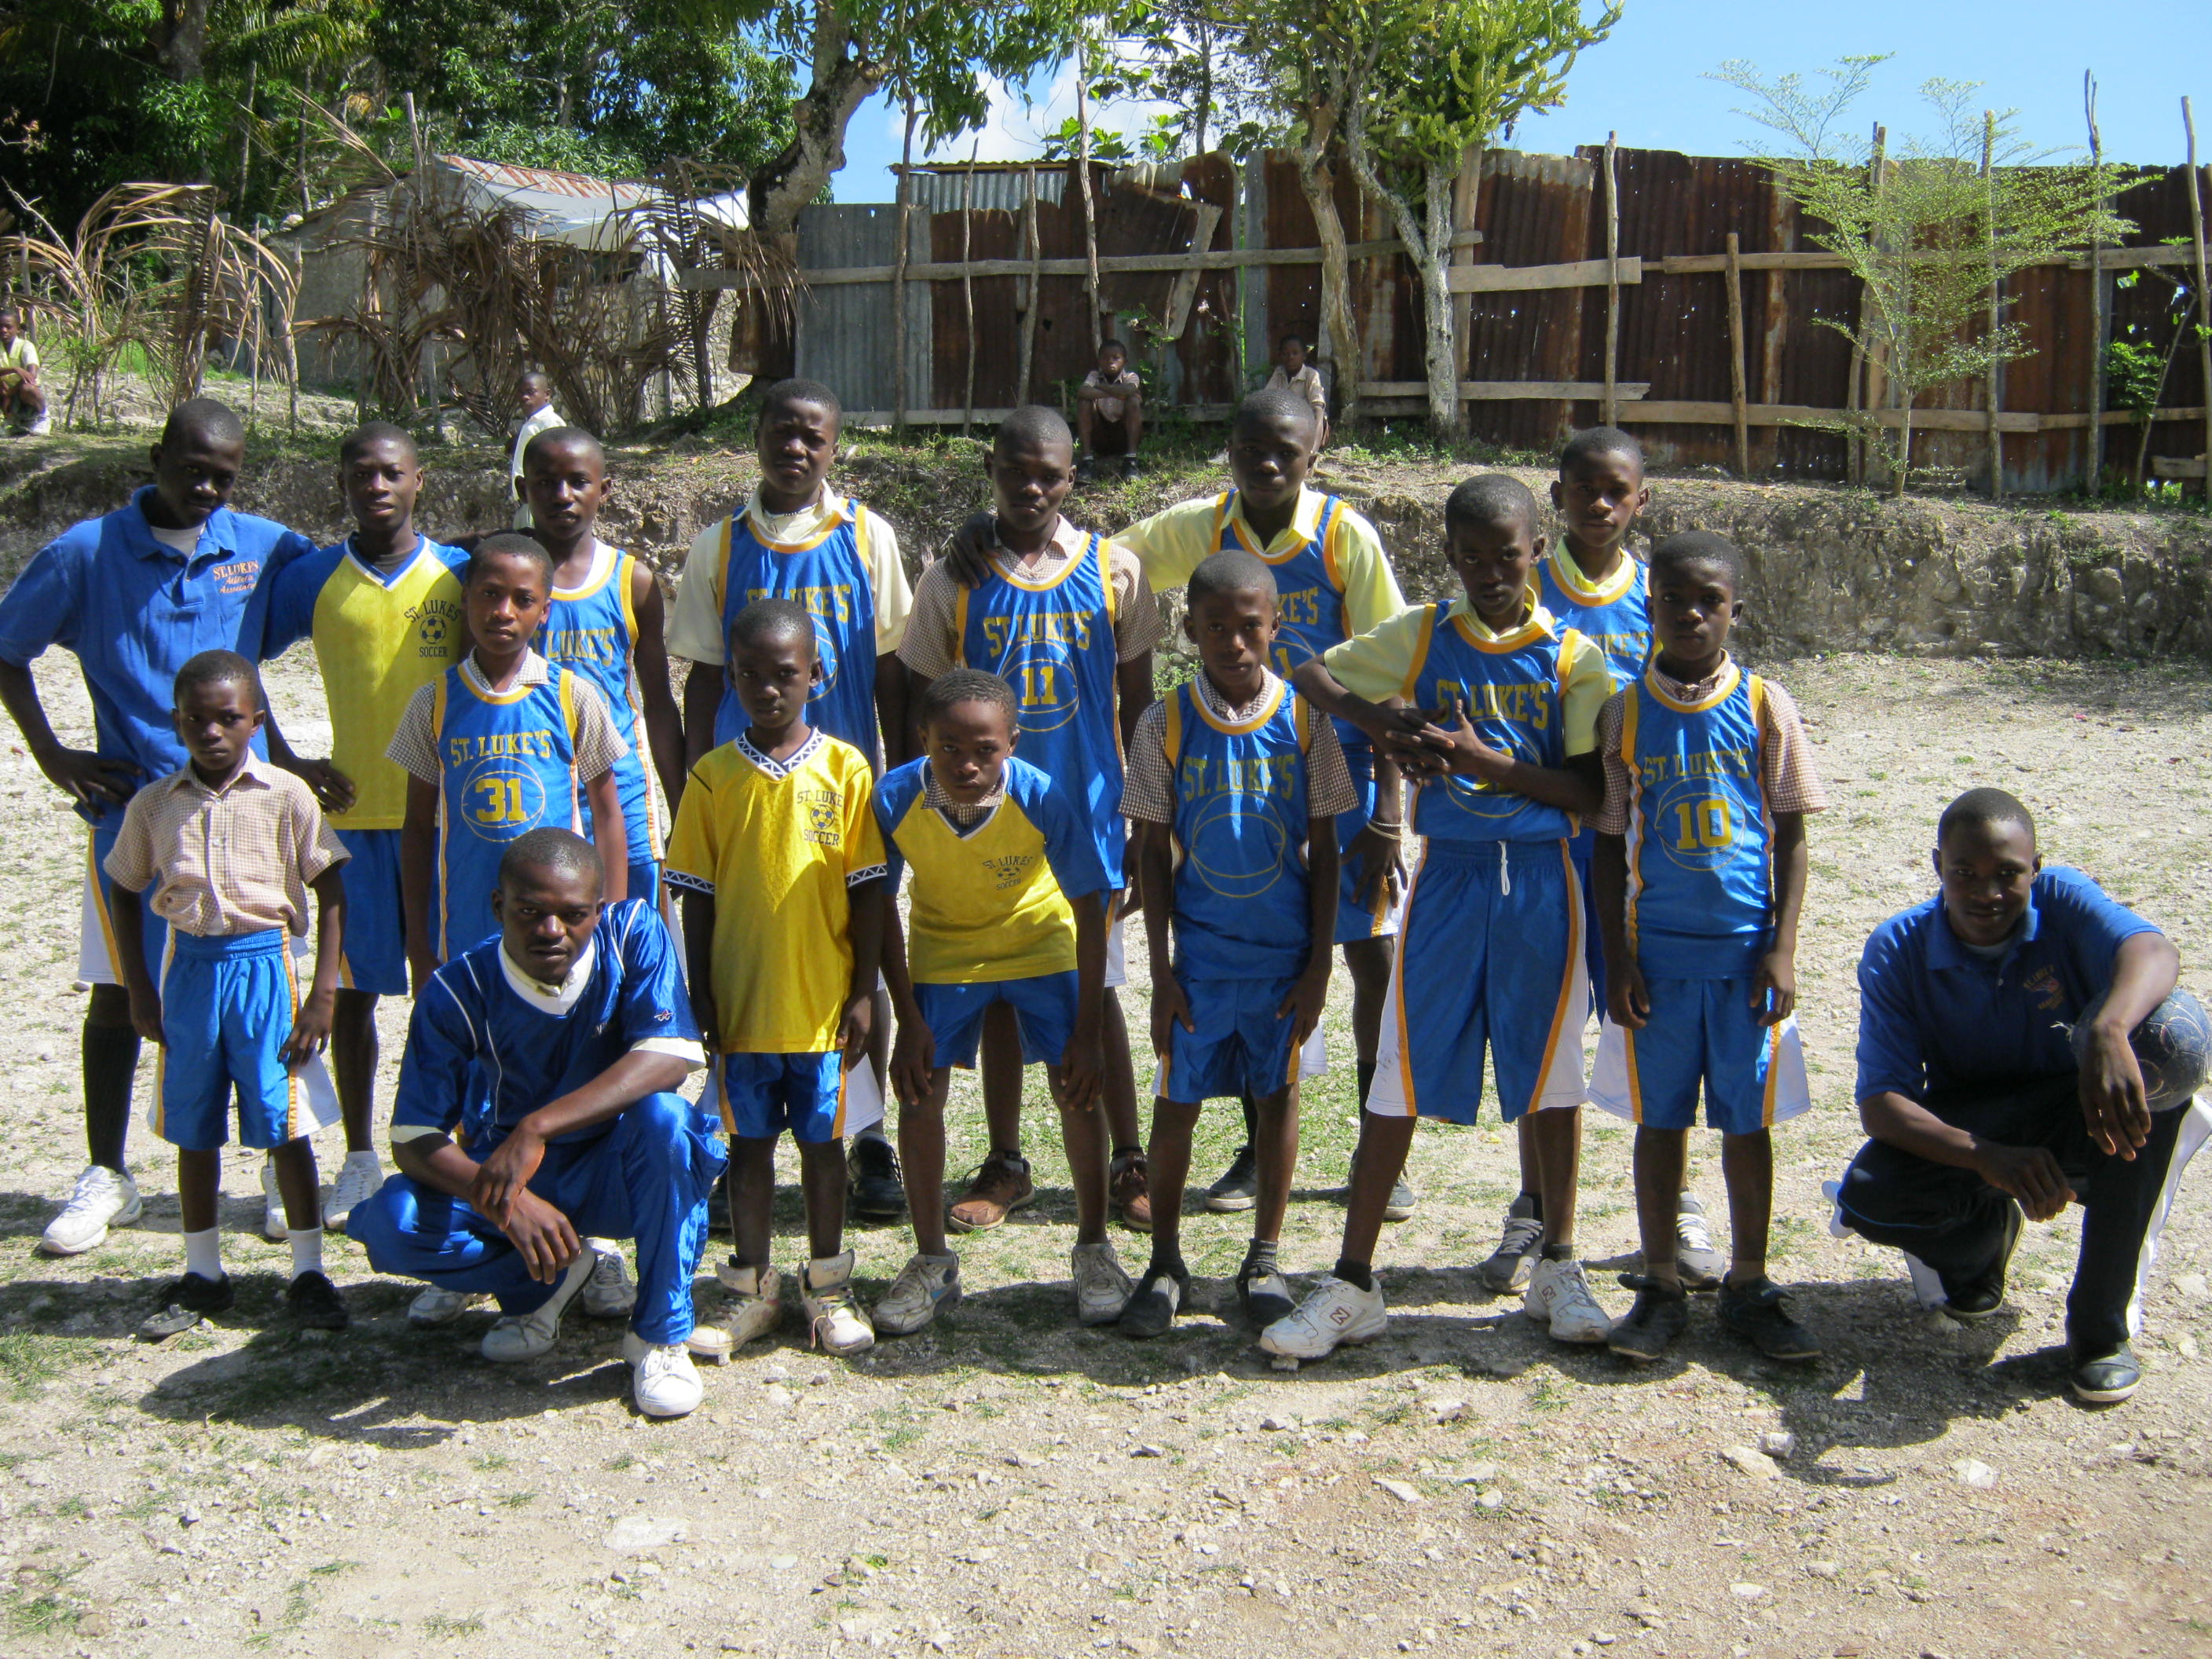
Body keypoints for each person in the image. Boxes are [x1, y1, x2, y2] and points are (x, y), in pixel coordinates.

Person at [943, 387, 1411, 1218]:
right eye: (1248, 450)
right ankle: (1246, 1142)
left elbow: (1395, 677)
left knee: (1363, 957)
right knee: (1236, 953)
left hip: (1328, 767)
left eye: (1286, 452)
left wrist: (1386, 812)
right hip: (1229, 777)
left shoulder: (1345, 539)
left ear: (1318, 449)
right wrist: (992, 529)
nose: (1266, 466)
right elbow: (1084, 555)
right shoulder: (1200, 525)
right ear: (1224, 450)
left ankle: (1381, 1144)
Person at [1270, 474, 1613, 1360]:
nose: (1490, 571)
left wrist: (1478, 759)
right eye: (1471, 556)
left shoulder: (1573, 656)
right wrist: (1377, 725)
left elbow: (1585, 790)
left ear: (1538, 550)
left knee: (1551, 1078)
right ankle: (1352, 1281)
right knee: (1399, 1067)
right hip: (1450, 877)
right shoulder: (1423, 634)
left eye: (1507, 554)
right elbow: (1305, 669)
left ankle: (1557, 1266)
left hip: (1543, 881)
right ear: (1450, 557)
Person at [0, 398, 317, 1257]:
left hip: (245, 814)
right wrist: (55, 756)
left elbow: (271, 658)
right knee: (119, 990)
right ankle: (108, 1172)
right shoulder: (86, 553)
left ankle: (279, 1166)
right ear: (155, 457)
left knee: (262, 990)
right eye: (192, 467)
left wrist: (292, 760)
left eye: (225, 472)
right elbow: (7, 650)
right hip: (139, 815)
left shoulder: (261, 547)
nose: (207, 485)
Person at [1833, 787, 2211, 1404]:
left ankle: (2099, 1334)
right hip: (1977, 1120)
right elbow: (1882, 1104)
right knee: (1870, 1199)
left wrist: (2108, 1028)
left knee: (2165, 1053)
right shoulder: (1898, 947)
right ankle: (1983, 1247)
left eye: (2008, 874)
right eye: (1965, 873)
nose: (1986, 893)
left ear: (2036, 868)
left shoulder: (2062, 900)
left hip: (2078, 1102)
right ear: (1938, 867)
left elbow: (2153, 950)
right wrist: (1985, 1156)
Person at [350, 829, 723, 1418]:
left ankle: (658, 1333)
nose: (552, 931)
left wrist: (537, 1126)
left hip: (618, 1172)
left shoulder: (631, 934)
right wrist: (501, 1200)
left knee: (669, 1122)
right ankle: (548, 1278)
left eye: (573, 915)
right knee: (392, 1223)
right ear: (498, 907)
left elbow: (670, 1056)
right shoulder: (458, 987)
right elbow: (414, 1139)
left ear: (597, 911)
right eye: (530, 912)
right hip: (518, 1181)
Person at [899, 405, 1162, 1236]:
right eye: (1015, 473)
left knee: (1100, 987)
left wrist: (1148, 816)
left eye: (1048, 474)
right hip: (986, 825)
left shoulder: (1112, 570)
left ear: (1072, 477)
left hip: (1085, 813)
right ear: (991, 469)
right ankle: (1006, 1160)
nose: (1031, 488)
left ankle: (1129, 1159)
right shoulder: (956, 576)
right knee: (1001, 990)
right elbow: (924, 694)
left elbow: (1141, 702)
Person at [668, 377, 913, 1217]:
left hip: (847, 796)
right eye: (781, 432)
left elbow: (889, 672)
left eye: (813, 434)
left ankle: (868, 1137)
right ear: (758, 437)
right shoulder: (720, 546)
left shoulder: (866, 538)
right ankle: (748, 1141)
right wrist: (693, 786)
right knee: (757, 956)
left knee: (861, 958)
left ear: (833, 444)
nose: (795, 448)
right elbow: (700, 679)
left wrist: (904, 787)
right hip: (747, 800)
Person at [1588, 532, 1828, 1362]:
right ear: (1646, 604)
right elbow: (1604, 848)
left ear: (1734, 610)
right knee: (1658, 1123)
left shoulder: (1766, 706)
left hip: (1742, 961)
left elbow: (1791, 834)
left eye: (1708, 601)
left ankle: (1749, 1284)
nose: (1688, 614)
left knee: (1745, 1123)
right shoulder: (1621, 714)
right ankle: (1658, 1285)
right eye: (1671, 599)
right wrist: (1615, 962)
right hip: (1655, 960)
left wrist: (1782, 947)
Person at [1118, 551, 1354, 1337]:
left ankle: (1264, 1257)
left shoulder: (1305, 719)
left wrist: (1320, 963)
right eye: (1213, 626)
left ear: (1275, 626)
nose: (1231, 641)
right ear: (1189, 630)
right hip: (1203, 964)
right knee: (1176, 1106)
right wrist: (1162, 971)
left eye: (1248, 625)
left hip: (1282, 961)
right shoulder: (1165, 721)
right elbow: (1151, 854)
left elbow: (1325, 850)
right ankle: (1164, 1262)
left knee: (1276, 1096)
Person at [243, 422, 468, 1233]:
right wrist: (291, 761)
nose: (376, 487)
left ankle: (453, 1146)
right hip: (355, 821)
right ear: (342, 485)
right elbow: (240, 664)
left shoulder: (460, 575)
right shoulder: (312, 579)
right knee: (355, 997)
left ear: (418, 481)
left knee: (453, 995)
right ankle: (361, 1157)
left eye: (391, 473)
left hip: (447, 824)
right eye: (360, 475)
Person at [870, 670, 1130, 1335]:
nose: (966, 763)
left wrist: (1089, 1028)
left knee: (1076, 1088)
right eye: (948, 747)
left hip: (1039, 942)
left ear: (1011, 743)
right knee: (920, 1091)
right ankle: (933, 1261)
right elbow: (876, 909)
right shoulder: (896, 795)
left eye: (984, 749)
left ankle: (1095, 1248)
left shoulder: (1040, 796)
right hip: (946, 948)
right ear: (922, 739)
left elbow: (1089, 902)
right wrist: (906, 1017)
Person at [105, 651, 350, 1338]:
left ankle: (308, 1272)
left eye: (229, 718)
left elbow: (330, 888)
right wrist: (137, 988)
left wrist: (323, 992)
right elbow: (123, 888)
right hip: (189, 973)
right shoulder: (155, 805)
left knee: (285, 1120)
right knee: (193, 1122)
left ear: (256, 722)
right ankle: (204, 1274)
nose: (212, 732)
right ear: (176, 721)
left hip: (267, 970)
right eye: (197, 720)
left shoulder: (286, 794)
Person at [668, 599, 888, 1359]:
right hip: (743, 1004)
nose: (768, 689)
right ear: (731, 678)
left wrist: (863, 990)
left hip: (822, 1007)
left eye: (785, 674)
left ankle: (827, 1287)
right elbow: (694, 897)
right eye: (751, 675)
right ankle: (751, 1288)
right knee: (750, 1147)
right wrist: (699, 989)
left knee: (825, 1150)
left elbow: (869, 892)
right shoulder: (712, 778)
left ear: (817, 676)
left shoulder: (847, 770)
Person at [1481, 426, 1659, 1297]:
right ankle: (1533, 1205)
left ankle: (1674, 1203)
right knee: (1543, 1026)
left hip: (1634, 852)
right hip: (1545, 845)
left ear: (1638, 500)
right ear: (1554, 497)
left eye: (1613, 490)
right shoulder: (1521, 583)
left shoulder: (1663, 598)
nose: (1596, 504)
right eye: (1580, 488)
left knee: (1641, 1019)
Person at [389, 535, 632, 987]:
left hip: (558, 930)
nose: (503, 611)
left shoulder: (572, 696)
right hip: (465, 923)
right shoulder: (433, 703)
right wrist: (419, 946)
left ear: (544, 611)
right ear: (465, 599)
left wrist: (610, 925)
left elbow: (607, 814)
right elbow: (418, 828)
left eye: (523, 600)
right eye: (490, 594)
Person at [522, 426, 686, 906]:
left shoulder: (630, 581)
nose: (562, 495)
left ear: (605, 490)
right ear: (522, 490)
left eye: (578, 481)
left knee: (633, 928)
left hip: (623, 788)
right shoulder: (505, 582)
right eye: (545, 482)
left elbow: (657, 703)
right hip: (538, 782)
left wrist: (681, 810)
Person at [1075, 340, 1143, 482]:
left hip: (1123, 436)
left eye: (1116, 358)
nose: (1110, 361)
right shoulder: (1094, 376)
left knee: (1133, 401)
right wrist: (1117, 393)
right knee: (1084, 403)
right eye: (1105, 358)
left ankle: (1131, 461)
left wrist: (1100, 388)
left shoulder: (1131, 377)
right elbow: (1082, 392)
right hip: (1100, 435)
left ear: (1125, 361)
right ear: (1099, 360)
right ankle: (1087, 462)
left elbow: (1128, 390)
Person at [508, 372, 564, 531]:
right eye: (520, 393)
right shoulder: (532, 424)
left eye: (530, 392)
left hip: (539, 503)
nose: (524, 397)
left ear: (547, 394)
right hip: (528, 500)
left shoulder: (550, 422)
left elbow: (558, 462)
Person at [1263, 332, 1329, 449]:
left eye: (1295, 353)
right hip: (1285, 423)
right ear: (1280, 356)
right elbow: (1266, 401)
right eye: (1285, 354)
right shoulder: (1279, 373)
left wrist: (1314, 447)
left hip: (1306, 423)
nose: (1290, 357)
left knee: (1317, 415)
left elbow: (1318, 411)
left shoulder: (1311, 375)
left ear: (1304, 355)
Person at [0, 307, 49, 435]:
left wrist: (11, 392)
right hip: (6, 392)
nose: (3, 330)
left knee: (28, 388)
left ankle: (43, 417)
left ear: (18, 329)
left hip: (22, 391)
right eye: (0, 327)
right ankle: (11, 422)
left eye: (8, 327)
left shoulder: (26, 346)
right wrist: (14, 369)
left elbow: (31, 376)